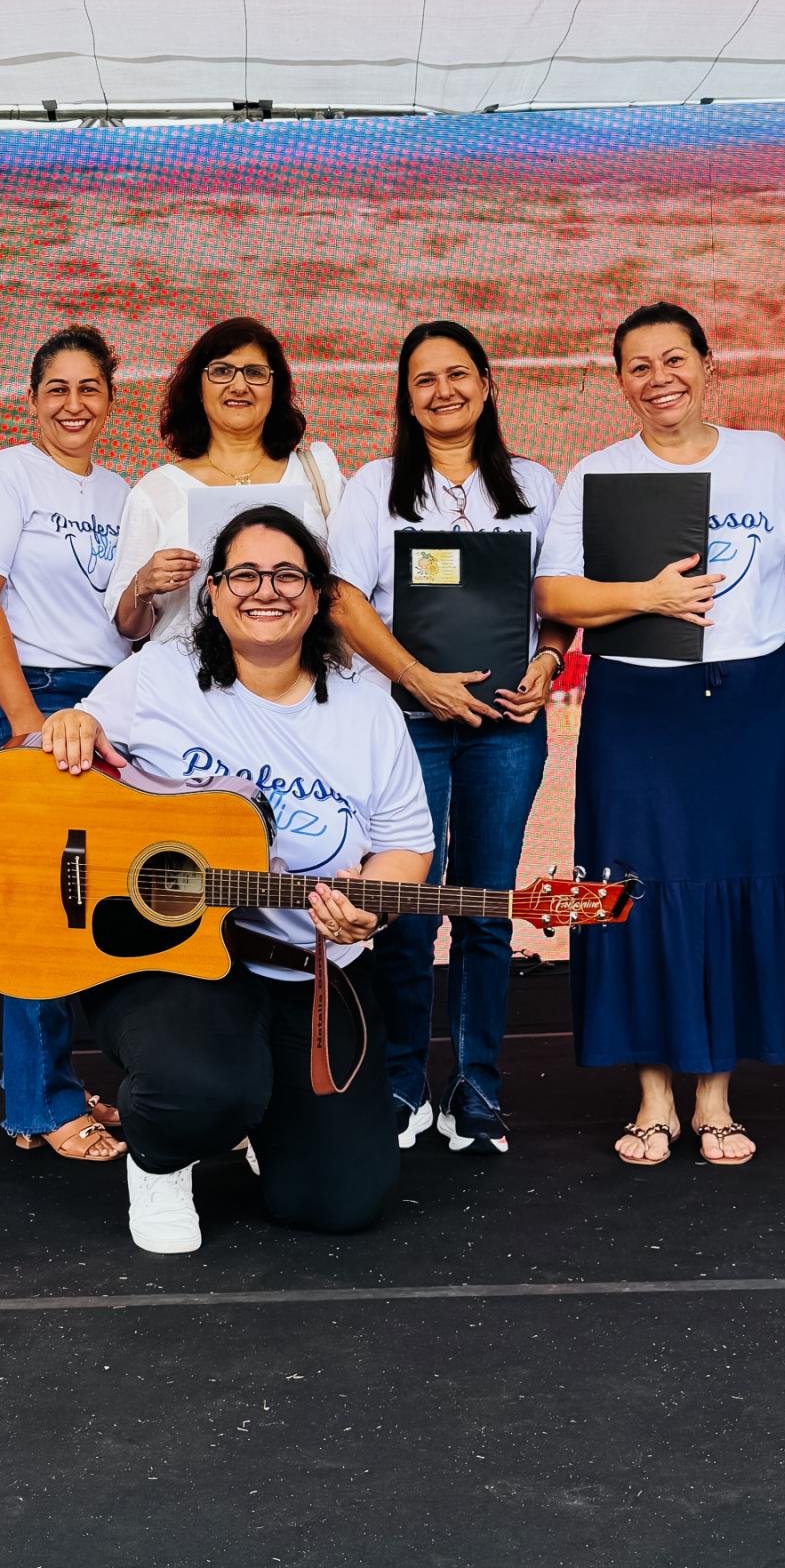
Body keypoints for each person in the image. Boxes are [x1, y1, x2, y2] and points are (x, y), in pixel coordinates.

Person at [43, 505, 435, 1254]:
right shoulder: (158, 676)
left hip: (308, 968)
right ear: (214, 594)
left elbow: (405, 843)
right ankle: (161, 1159)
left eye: (288, 574)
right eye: (244, 574)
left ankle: (262, 1118)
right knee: (202, 1087)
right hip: (169, 961)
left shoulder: (367, 710)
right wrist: (70, 727)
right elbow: (59, 766)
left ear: (318, 596)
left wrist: (371, 911)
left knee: (341, 1202)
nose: (266, 591)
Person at [538, 301, 785, 1169]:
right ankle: (653, 1099)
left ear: (708, 365)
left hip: (753, 705)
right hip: (639, 708)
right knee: (638, 889)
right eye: (639, 366)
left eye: (674, 359)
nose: (659, 379)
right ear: (620, 383)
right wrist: (647, 597)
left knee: (733, 882)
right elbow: (556, 594)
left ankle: (715, 1097)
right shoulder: (599, 473)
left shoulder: (768, 459)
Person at [328, 320, 570, 1154]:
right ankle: (402, 1082)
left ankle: (477, 1088)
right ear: (406, 397)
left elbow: (555, 601)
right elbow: (343, 599)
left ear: (487, 383)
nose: (443, 391)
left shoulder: (534, 484)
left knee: (487, 908)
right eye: (424, 379)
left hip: (505, 728)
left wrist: (548, 661)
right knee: (405, 907)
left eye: (458, 374)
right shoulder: (375, 486)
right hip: (406, 728)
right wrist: (418, 679)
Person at [0, 326, 130, 1164]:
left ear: (110, 399)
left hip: (107, 706)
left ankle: (63, 1080)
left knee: (98, 902)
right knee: (38, 911)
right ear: (31, 399)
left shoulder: (124, 493)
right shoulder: (6, 475)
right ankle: (38, 1102)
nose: (72, 404)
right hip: (26, 702)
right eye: (56, 388)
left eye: (88, 387)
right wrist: (26, 722)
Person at [106, 318, 345, 647]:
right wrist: (143, 584)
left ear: (274, 389)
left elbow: (351, 590)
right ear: (198, 388)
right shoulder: (156, 492)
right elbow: (129, 628)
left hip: (302, 670)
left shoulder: (317, 473)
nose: (239, 385)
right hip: (188, 674)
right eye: (222, 371)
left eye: (255, 373)